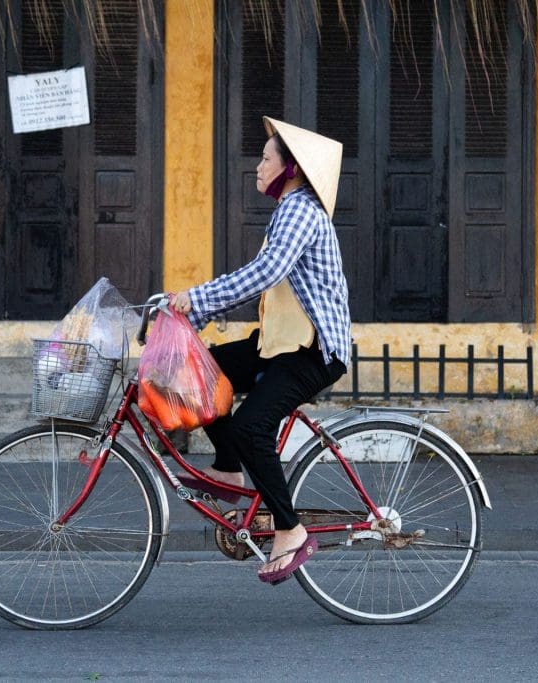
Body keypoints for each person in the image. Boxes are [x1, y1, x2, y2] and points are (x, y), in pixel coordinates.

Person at [171, 117, 352, 585]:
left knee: (254, 426)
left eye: (266, 157)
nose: (258, 165)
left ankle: (290, 530)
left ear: (290, 167)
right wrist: (187, 321)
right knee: (201, 371)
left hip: (313, 351)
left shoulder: (301, 210)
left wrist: (198, 298)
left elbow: (264, 273)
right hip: (279, 344)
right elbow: (259, 282)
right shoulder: (288, 210)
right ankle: (230, 472)